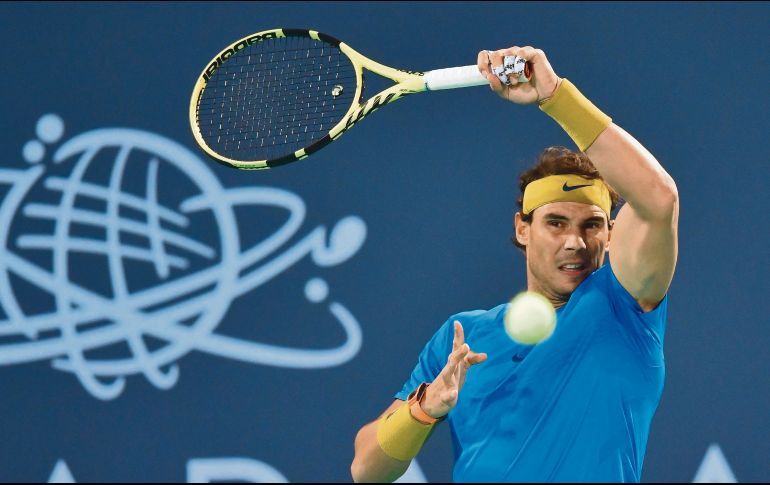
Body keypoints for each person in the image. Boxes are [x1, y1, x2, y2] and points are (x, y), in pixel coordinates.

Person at [350, 45, 679, 483]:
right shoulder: (462, 339)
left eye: (592, 225)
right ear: (522, 229)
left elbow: (660, 199)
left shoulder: (628, 308)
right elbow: (366, 470)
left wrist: (555, 95)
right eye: (556, 223)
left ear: (613, 234)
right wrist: (424, 408)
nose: (575, 242)